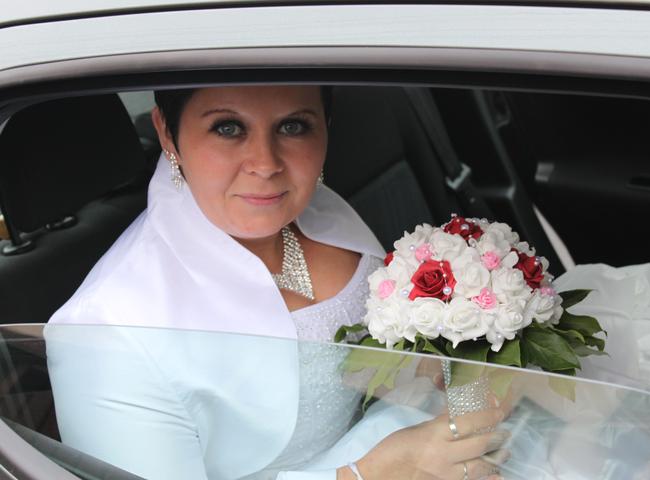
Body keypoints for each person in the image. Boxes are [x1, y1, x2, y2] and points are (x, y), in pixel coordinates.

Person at [45, 86, 509, 480]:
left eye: (293, 126)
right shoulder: (107, 331)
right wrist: (369, 474)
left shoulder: (318, 211)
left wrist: (445, 371)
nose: (265, 164)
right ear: (167, 132)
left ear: (326, 125)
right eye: (228, 127)